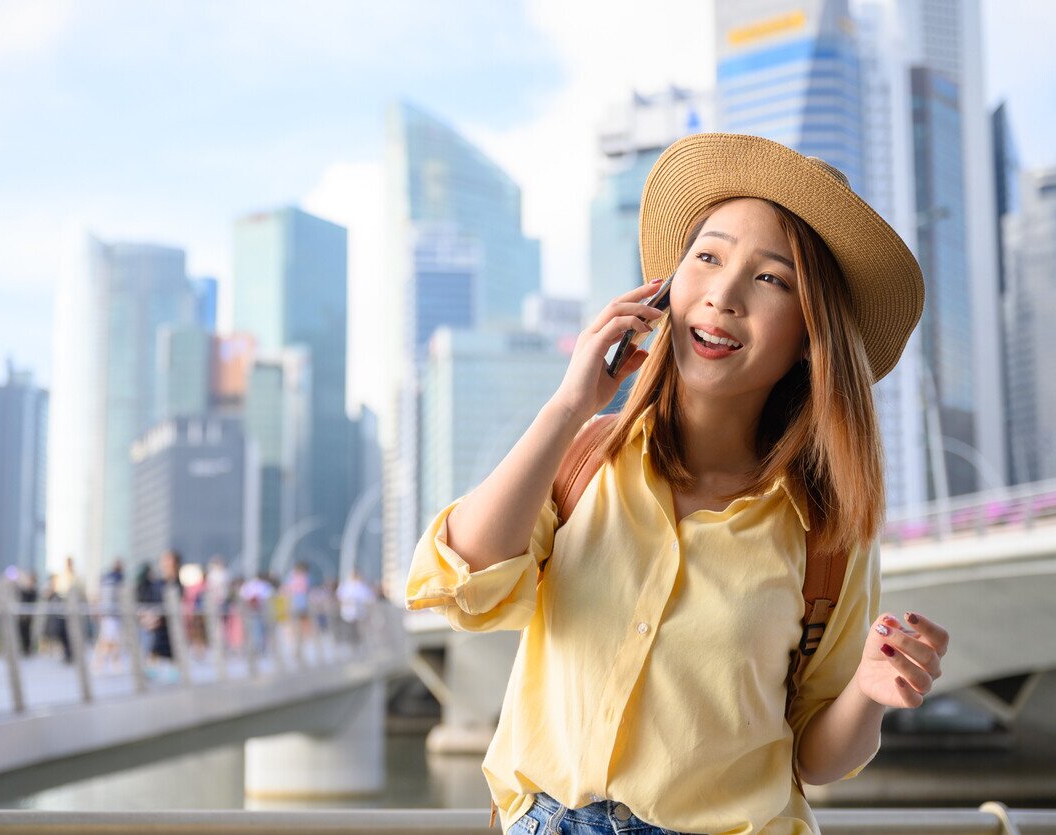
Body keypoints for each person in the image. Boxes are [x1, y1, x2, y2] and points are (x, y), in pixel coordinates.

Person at [405, 134, 952, 835]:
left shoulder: (828, 531)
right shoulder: (582, 462)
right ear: (668, 286)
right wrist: (569, 405)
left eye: (771, 279)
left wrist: (870, 693)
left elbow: (815, 756)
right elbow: (463, 582)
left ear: (810, 335)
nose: (722, 294)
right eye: (707, 256)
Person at [92, 560, 124, 674]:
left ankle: (107, 663)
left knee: (109, 639)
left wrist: (97, 610)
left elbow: (97, 596)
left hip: (106, 614)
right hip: (113, 615)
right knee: (109, 640)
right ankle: (104, 664)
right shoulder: (118, 579)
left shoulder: (105, 579)